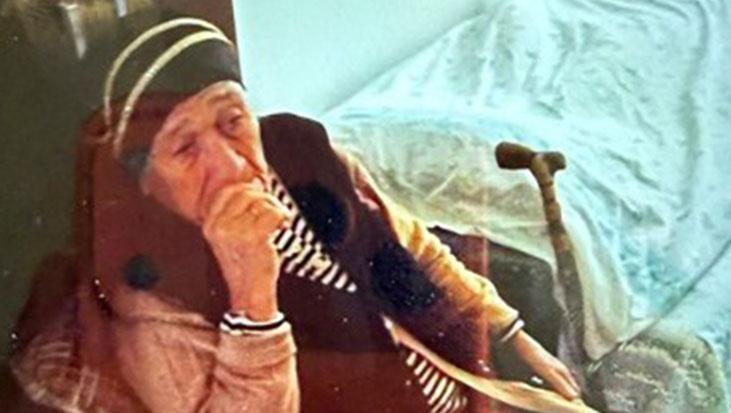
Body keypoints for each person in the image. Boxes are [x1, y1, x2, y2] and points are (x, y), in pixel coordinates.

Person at [9, 16, 581, 413]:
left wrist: (508, 332)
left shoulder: (303, 155)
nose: (233, 164)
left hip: (464, 384)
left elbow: (409, 245)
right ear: (144, 182)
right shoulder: (152, 304)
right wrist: (252, 299)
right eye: (184, 147)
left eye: (233, 121)